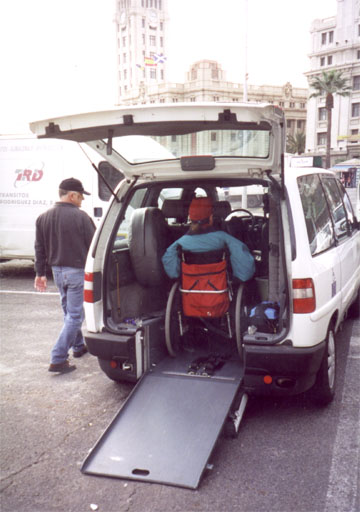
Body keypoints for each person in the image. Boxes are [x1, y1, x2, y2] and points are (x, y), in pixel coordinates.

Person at [34, 178, 96, 374]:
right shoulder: (82, 218)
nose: (82, 201)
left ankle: (78, 346)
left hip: (57, 272)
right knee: (75, 316)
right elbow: (95, 247)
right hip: (76, 272)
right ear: (72, 195)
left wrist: (40, 273)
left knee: (69, 313)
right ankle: (58, 357)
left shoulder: (43, 217)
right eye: (80, 197)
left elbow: (39, 248)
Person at [162, 196, 255, 281]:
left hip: (190, 292)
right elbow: (245, 272)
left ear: (190, 218)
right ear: (211, 218)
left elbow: (173, 273)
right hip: (219, 290)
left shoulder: (180, 243)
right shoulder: (225, 239)